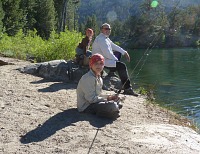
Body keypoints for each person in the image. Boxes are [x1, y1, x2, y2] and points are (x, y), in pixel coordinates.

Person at [92, 23, 138, 96]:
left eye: (109, 29)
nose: (108, 30)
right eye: (106, 29)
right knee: (121, 66)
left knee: (118, 54)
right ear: (101, 30)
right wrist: (116, 60)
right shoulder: (101, 39)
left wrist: (124, 52)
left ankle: (112, 71)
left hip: (103, 59)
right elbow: (107, 53)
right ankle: (127, 88)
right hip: (99, 62)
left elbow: (113, 46)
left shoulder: (105, 38)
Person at [76, 53, 122, 119]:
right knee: (113, 105)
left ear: (103, 65)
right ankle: (109, 111)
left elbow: (98, 95)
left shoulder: (99, 78)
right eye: (96, 63)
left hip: (94, 103)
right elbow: (91, 99)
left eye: (101, 64)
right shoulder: (89, 78)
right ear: (91, 65)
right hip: (86, 107)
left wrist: (109, 97)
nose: (98, 66)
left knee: (116, 102)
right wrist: (107, 99)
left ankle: (110, 109)